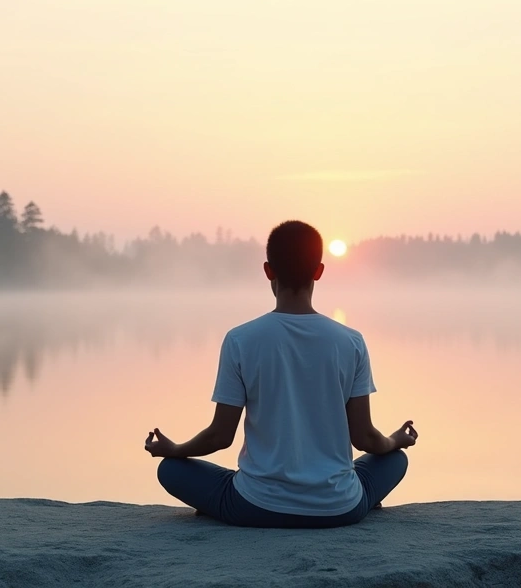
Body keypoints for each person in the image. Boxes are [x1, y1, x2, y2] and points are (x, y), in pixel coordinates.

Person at [143, 220, 418, 528]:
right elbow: (365, 438)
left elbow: (220, 436)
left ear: (268, 270)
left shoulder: (241, 340)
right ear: (319, 271)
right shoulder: (350, 341)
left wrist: (175, 450)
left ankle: (226, 504)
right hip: (339, 509)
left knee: (170, 470)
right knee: (395, 460)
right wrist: (394, 441)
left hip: (254, 506)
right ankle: (348, 497)